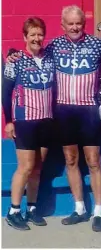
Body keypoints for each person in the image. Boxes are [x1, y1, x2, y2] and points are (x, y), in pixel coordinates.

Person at [7, 5, 101, 232]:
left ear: (83, 24)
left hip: (88, 112)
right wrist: (12, 54)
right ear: (63, 25)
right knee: (71, 161)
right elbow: (28, 53)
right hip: (63, 112)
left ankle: (98, 211)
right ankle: (79, 208)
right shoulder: (54, 46)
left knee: (94, 161)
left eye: (79, 23)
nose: (75, 27)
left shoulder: (96, 43)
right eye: (70, 23)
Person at [2, 17, 54, 230]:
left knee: (38, 168)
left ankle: (31, 208)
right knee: (26, 167)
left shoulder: (50, 58)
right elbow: (5, 92)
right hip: (24, 120)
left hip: (46, 120)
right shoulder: (14, 60)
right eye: (32, 34)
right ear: (25, 37)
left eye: (40, 34)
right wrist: (8, 121)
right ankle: (13, 211)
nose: (36, 38)